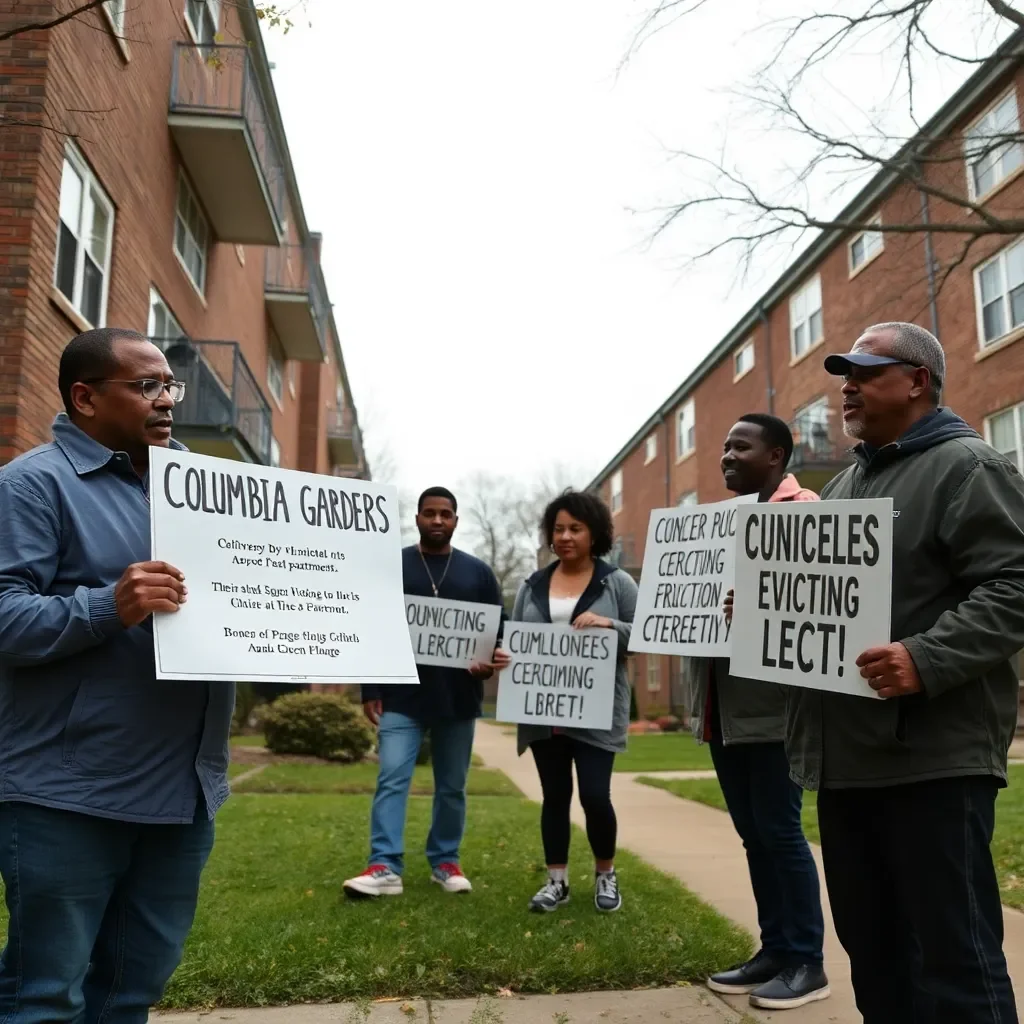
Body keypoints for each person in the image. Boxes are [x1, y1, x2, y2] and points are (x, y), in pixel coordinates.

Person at [788, 322, 1024, 1023]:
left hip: (933, 760)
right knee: (877, 954)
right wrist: (760, 611)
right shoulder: (847, 485)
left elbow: (1015, 585)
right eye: (844, 376)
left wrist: (924, 657)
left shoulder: (968, 467)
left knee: (954, 961)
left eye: (864, 372)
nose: (847, 388)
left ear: (917, 380)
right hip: (848, 760)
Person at [0, 328, 234, 1021]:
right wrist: (110, 605)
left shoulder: (205, 491)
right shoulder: (31, 485)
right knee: (44, 996)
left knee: (134, 991)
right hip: (66, 794)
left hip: (182, 793)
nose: (166, 401)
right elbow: (6, 617)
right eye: (147, 386)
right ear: (86, 397)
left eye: (171, 386)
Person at [688, 414, 829, 1011]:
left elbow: (822, 603)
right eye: (723, 445)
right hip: (726, 707)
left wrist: (762, 598)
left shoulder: (805, 512)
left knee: (779, 831)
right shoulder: (720, 523)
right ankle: (775, 950)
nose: (725, 455)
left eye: (738, 446)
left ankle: (807, 961)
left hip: (775, 710)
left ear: (775, 455)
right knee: (753, 836)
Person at [343, 487, 507, 898]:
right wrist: (371, 688)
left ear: (456, 520)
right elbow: (373, 626)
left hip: (458, 697)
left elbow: (496, 632)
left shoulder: (479, 573)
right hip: (402, 696)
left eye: (445, 514)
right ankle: (384, 866)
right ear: (417, 518)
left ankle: (445, 862)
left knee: (452, 786)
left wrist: (491, 660)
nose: (437, 520)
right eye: (429, 513)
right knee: (392, 777)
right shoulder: (393, 566)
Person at [512, 490, 637, 914]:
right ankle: (557, 881)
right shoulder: (532, 586)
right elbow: (516, 641)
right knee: (554, 796)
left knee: (595, 796)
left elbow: (644, 636)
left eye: (575, 529)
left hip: (597, 712)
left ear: (594, 533)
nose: (565, 536)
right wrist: (504, 657)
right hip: (543, 713)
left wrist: (609, 624)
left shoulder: (616, 582)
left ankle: (606, 874)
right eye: (558, 528)